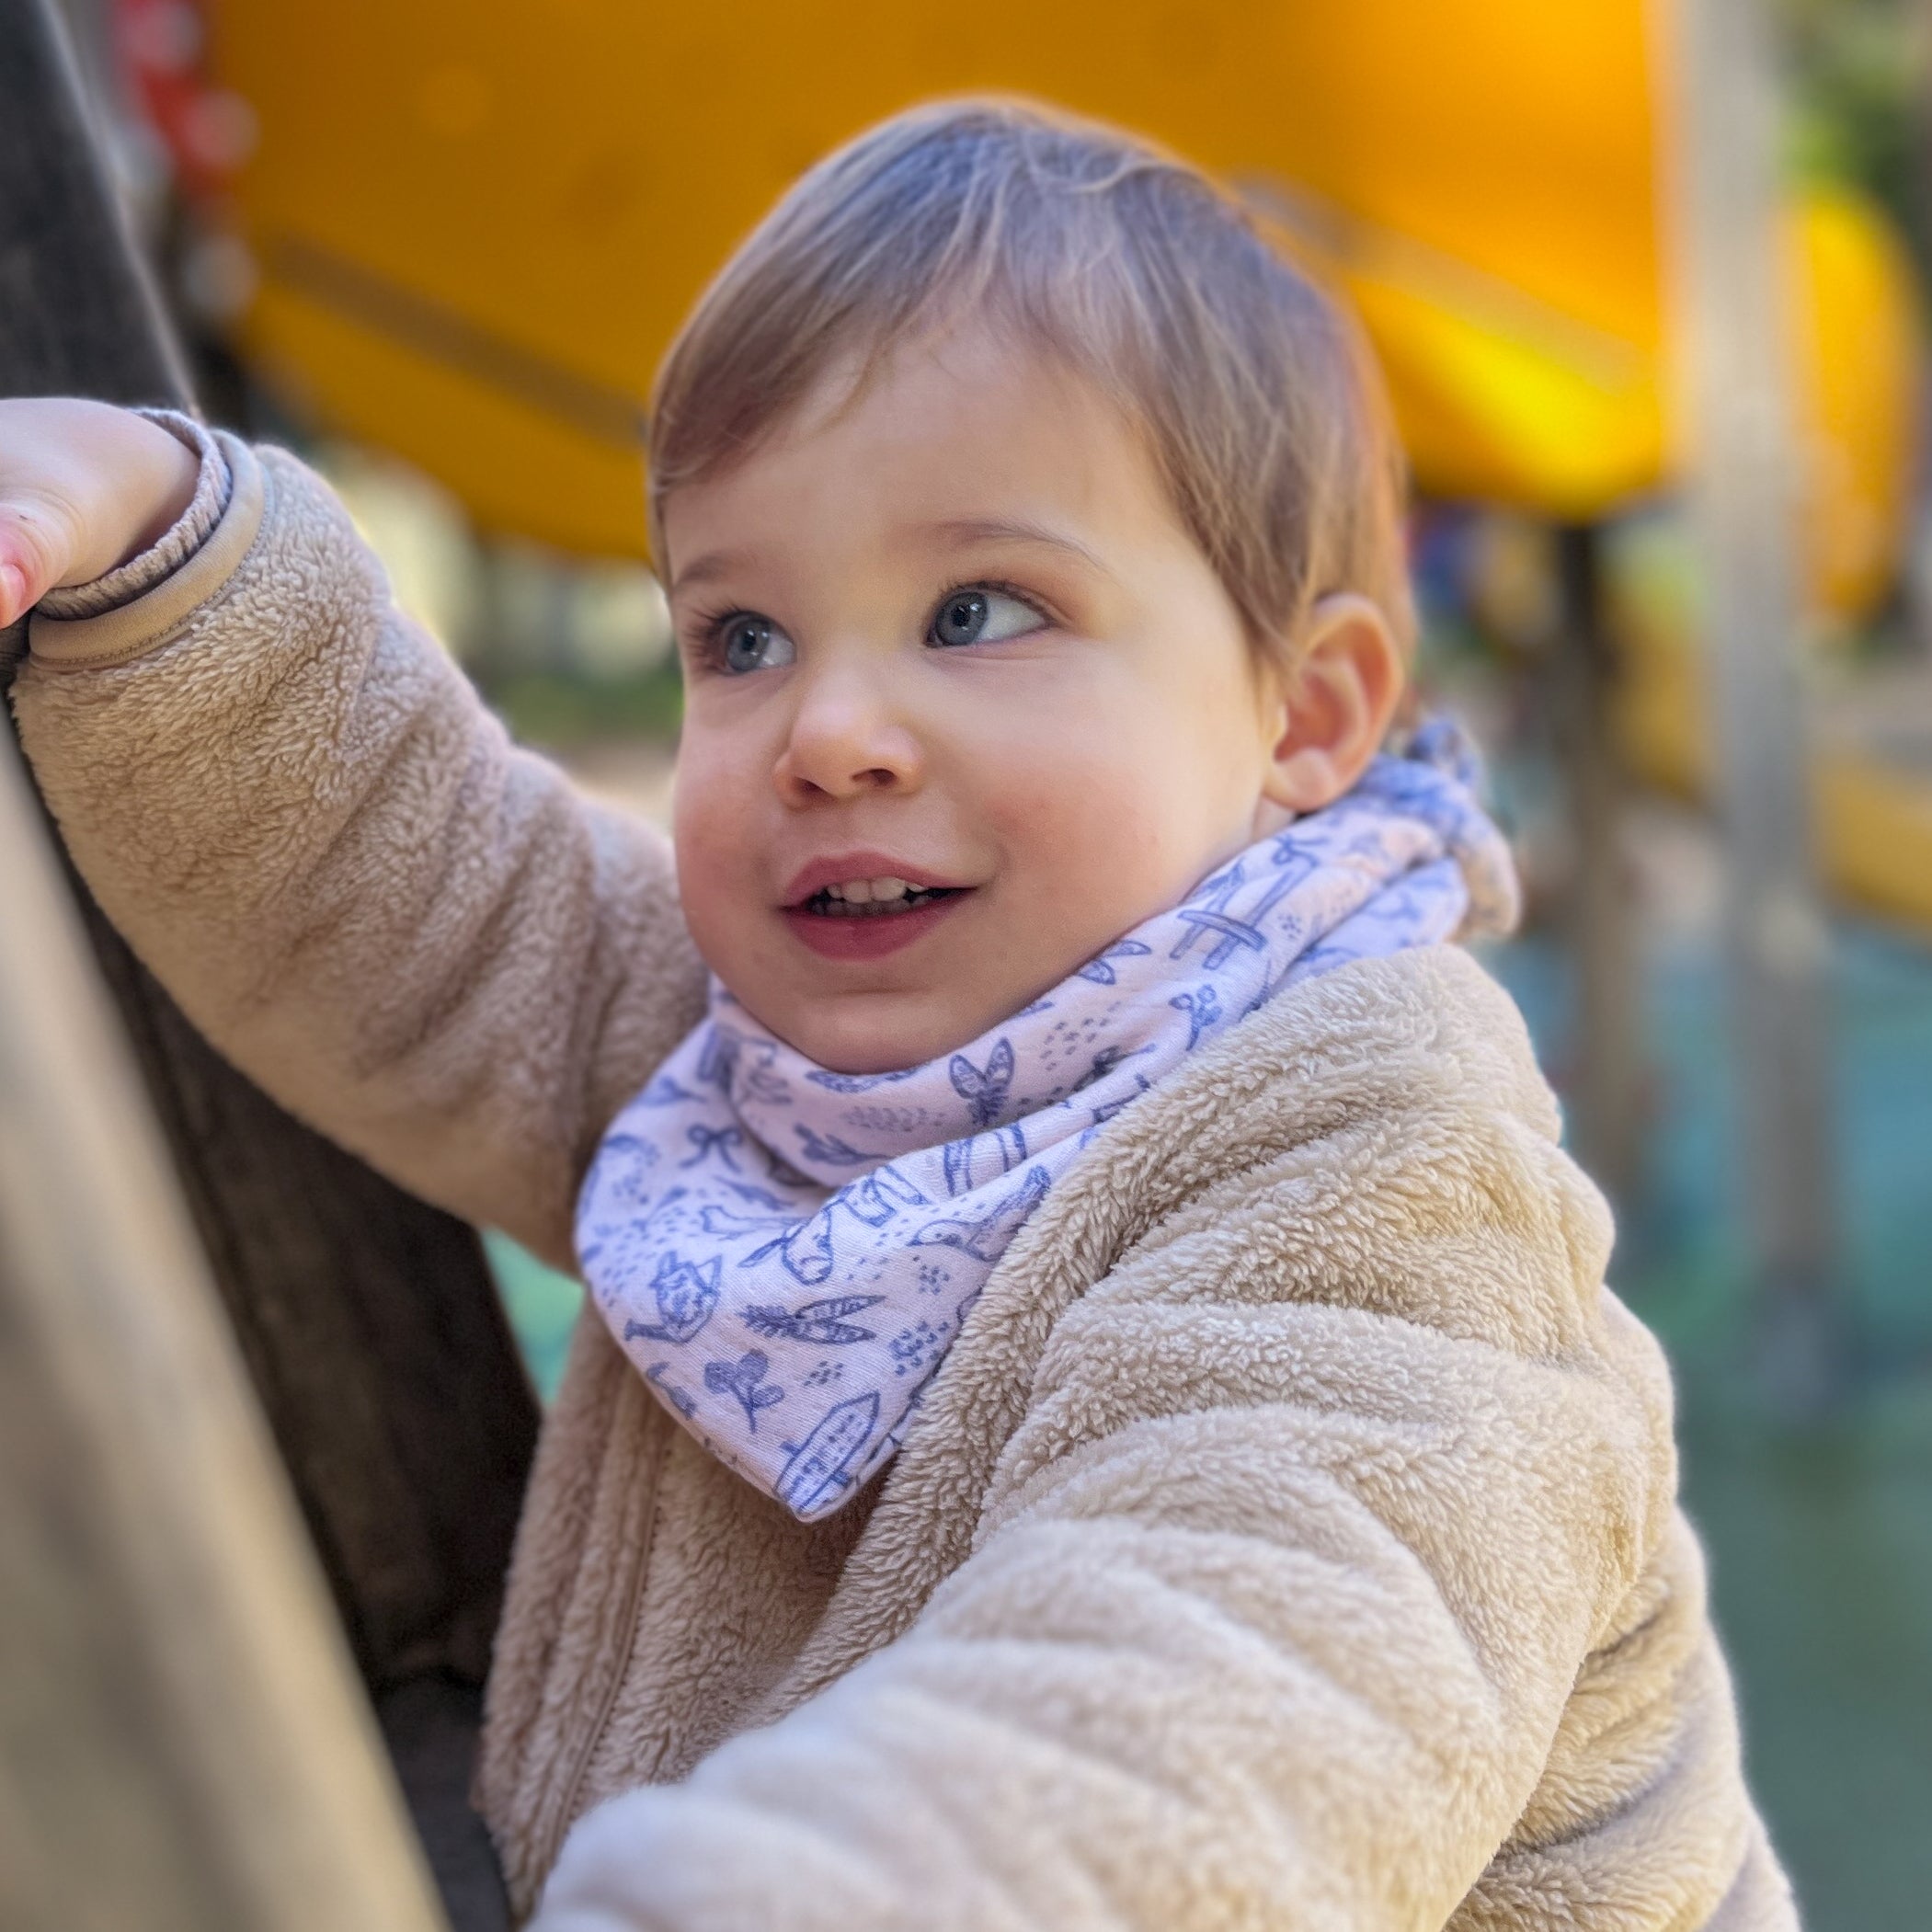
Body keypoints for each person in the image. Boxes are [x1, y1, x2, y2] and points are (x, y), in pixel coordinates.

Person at [0, 98, 1794, 1930]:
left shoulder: (1377, 1190)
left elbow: (1197, 1703)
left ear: (1305, 714)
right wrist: (158, 547)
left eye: (977, 611)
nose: (830, 731)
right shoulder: (773, 1073)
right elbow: (443, 908)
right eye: (742, 638)